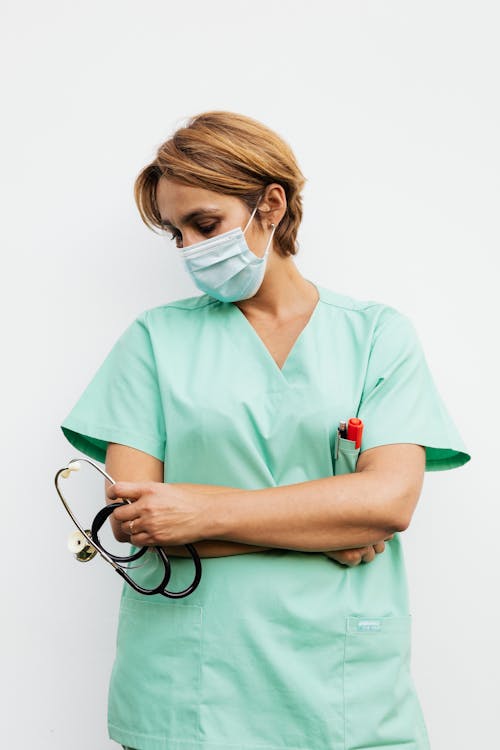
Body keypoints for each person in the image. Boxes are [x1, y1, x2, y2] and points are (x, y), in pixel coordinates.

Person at [60, 111, 471, 750]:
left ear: (270, 205)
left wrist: (200, 510)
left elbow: (388, 503)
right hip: (190, 692)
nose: (192, 249)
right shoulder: (153, 340)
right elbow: (137, 522)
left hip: (344, 695)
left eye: (205, 224)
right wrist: (327, 521)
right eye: (177, 234)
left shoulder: (376, 336)